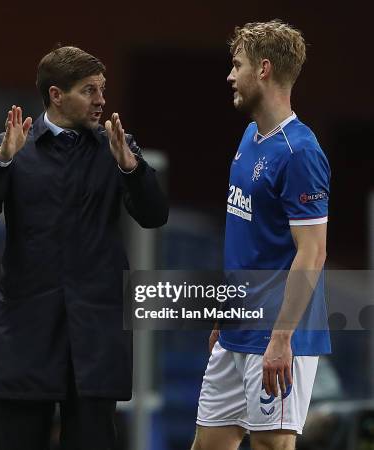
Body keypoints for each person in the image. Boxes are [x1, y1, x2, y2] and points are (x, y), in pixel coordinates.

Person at [0, 46, 169, 450]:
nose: (101, 101)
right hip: (28, 325)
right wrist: (1, 161)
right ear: (57, 95)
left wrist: (132, 168)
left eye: (102, 90)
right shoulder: (11, 146)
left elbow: (154, 215)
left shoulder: (118, 146)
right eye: (90, 90)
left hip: (96, 328)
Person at [192, 20, 331, 450]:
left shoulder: (301, 152)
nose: (230, 76)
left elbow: (312, 253)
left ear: (264, 69)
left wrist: (281, 338)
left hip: (276, 337)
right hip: (237, 329)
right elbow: (250, 240)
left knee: (272, 446)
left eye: (238, 66)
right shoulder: (251, 135)